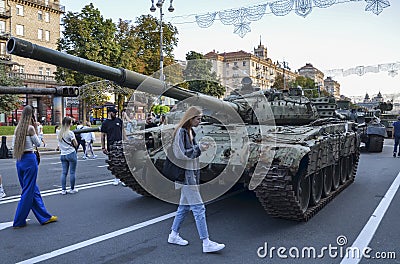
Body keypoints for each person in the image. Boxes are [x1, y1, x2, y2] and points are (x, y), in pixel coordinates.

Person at [167, 106, 225, 253]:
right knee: (199, 208)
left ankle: (173, 235)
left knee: (184, 207)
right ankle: (206, 243)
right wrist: (199, 148)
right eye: (198, 118)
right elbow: (180, 154)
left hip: (191, 174)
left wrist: (200, 148)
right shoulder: (181, 132)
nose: (200, 121)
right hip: (186, 176)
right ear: (190, 118)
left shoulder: (190, 131)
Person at [12, 105, 57, 228]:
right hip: (30, 160)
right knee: (28, 191)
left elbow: (13, 146)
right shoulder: (31, 128)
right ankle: (18, 220)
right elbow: (38, 143)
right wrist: (37, 131)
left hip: (19, 160)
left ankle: (44, 217)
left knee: (32, 189)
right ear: (32, 115)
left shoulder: (18, 128)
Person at [101, 107, 125, 186]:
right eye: (114, 113)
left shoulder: (119, 121)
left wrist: (126, 141)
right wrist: (103, 147)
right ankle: (116, 178)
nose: (115, 114)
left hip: (121, 144)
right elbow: (103, 136)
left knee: (123, 162)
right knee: (114, 163)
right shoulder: (105, 123)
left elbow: (123, 131)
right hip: (111, 145)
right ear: (110, 113)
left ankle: (123, 179)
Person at [58, 116, 78, 194]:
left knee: (64, 172)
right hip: (71, 153)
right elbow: (75, 144)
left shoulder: (59, 133)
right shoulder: (70, 133)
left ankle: (63, 189)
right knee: (72, 172)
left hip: (63, 154)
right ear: (69, 123)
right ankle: (72, 189)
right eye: (72, 122)